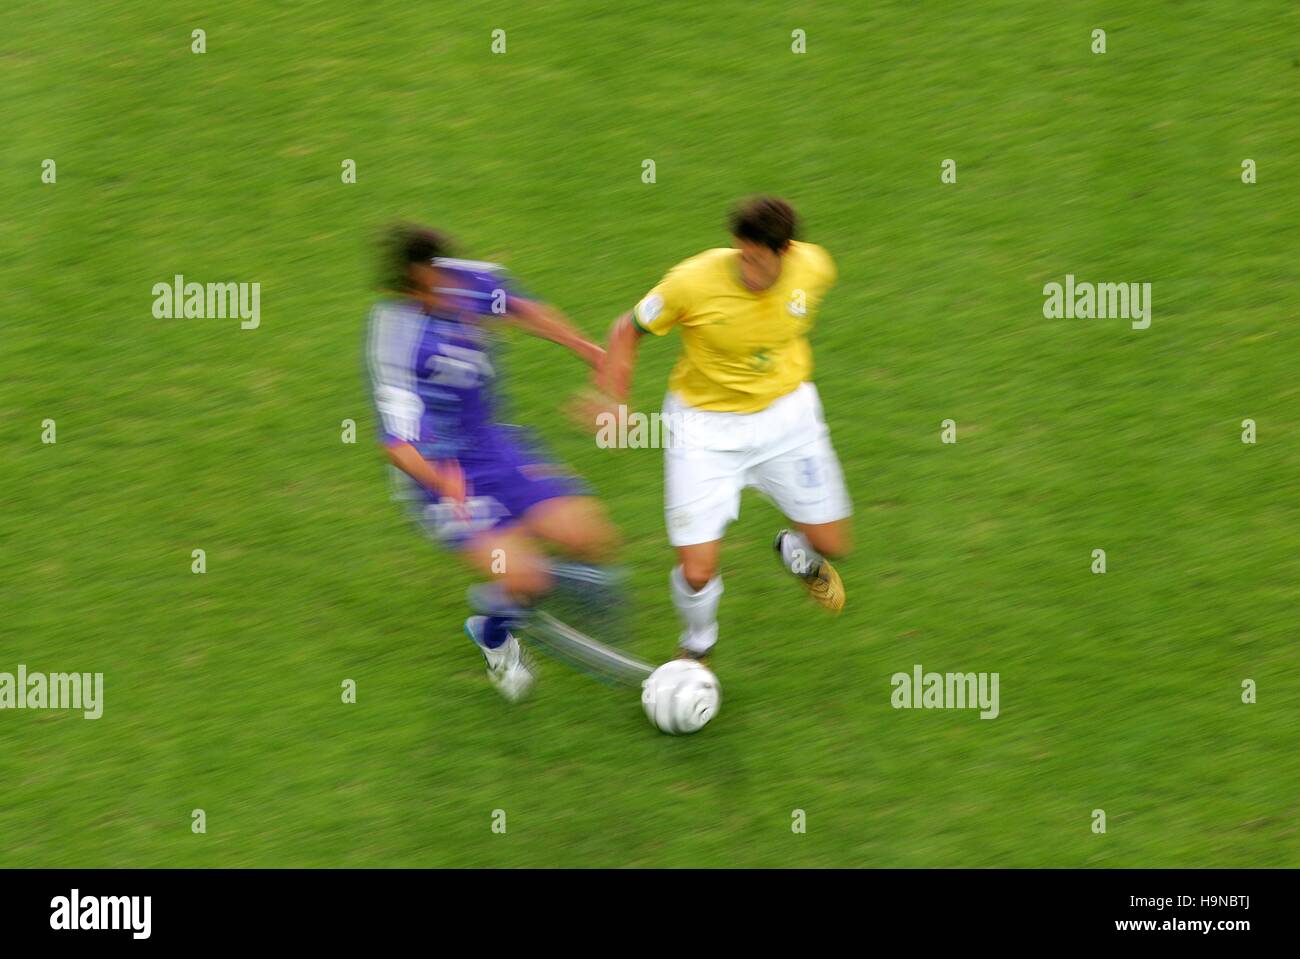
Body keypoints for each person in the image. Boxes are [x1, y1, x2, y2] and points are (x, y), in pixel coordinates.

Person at [367, 224, 620, 699]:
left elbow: (523, 309)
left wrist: (586, 349)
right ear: (406, 288)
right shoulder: (396, 339)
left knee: (592, 538)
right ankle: (492, 629)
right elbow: (397, 445)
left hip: (494, 446)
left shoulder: (471, 281)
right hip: (437, 472)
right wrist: (445, 484)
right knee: (527, 577)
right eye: (425, 289)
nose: (440, 293)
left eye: (439, 281)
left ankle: (529, 587)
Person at [596, 196, 852, 663]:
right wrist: (616, 404)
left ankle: (796, 549)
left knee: (834, 544)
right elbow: (626, 329)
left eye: (759, 260)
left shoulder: (815, 268)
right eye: (742, 256)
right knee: (697, 570)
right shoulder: (690, 282)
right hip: (704, 428)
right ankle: (698, 644)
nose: (748, 270)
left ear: (786, 252)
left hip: (787, 421)